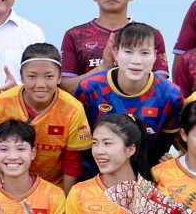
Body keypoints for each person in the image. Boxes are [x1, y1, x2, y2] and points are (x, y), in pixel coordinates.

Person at [74, 22, 185, 166]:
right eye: (128, 52)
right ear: (115, 52)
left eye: (145, 53)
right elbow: (81, 143)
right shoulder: (90, 88)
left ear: (155, 56)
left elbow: (163, 146)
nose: (136, 61)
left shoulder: (171, 95)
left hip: (145, 176)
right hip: (95, 176)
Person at [0, 43, 92, 193]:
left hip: (54, 188)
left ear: (59, 77)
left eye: (49, 76)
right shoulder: (3, 102)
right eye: (32, 76)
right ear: (22, 77)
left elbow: (72, 160)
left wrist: (65, 198)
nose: (40, 84)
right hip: (8, 184)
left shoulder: (73, 109)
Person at [59, 0, 170, 95]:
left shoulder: (151, 35)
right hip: (90, 114)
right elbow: (67, 88)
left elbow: (161, 85)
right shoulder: (75, 35)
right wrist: (103, 67)